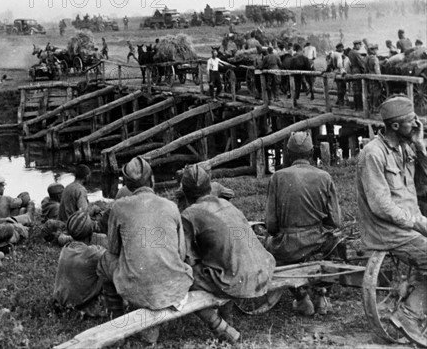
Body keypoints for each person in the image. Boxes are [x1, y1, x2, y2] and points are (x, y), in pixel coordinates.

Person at [97, 157, 193, 344]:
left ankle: (117, 322)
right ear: (153, 180)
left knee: (104, 261)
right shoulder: (171, 206)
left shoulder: (119, 207)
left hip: (138, 287)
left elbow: (114, 250)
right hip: (174, 287)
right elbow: (181, 254)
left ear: (127, 185)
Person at [356, 96, 427, 346]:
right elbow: (381, 206)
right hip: (385, 229)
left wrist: (420, 147)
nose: (418, 125)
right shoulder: (373, 154)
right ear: (395, 126)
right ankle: (408, 315)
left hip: (407, 224)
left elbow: (424, 186)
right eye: (412, 122)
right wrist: (416, 223)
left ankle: (413, 295)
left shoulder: (407, 147)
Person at [180, 165, 276, 343]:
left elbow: (185, 257)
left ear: (186, 193)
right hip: (264, 271)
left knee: (183, 276)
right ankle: (227, 317)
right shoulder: (227, 204)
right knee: (223, 260)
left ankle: (220, 327)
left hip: (236, 280)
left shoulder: (189, 214)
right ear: (210, 187)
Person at [265, 131, 341, 315]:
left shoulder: (277, 177)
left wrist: (276, 234)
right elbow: (336, 221)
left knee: (267, 245)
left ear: (289, 154)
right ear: (312, 152)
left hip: (287, 245)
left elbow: (271, 224)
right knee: (336, 243)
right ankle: (323, 296)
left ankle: (301, 298)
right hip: (317, 242)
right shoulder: (324, 177)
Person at [53, 211, 107, 318]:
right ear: (91, 231)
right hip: (79, 308)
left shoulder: (66, 248)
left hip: (60, 305)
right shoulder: (93, 253)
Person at [348, 40, 368, 110]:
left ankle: (356, 106)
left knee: (355, 89)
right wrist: (365, 69)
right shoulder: (356, 53)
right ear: (356, 45)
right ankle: (360, 106)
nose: (360, 46)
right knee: (359, 89)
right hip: (357, 70)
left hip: (352, 70)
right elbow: (361, 63)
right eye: (360, 45)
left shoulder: (350, 52)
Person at [366, 44, 382, 111]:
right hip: (375, 78)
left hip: (369, 77)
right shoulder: (375, 59)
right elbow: (377, 70)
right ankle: (375, 108)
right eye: (376, 50)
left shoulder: (367, 58)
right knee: (376, 93)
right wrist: (380, 80)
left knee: (370, 92)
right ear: (373, 50)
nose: (376, 51)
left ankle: (371, 107)